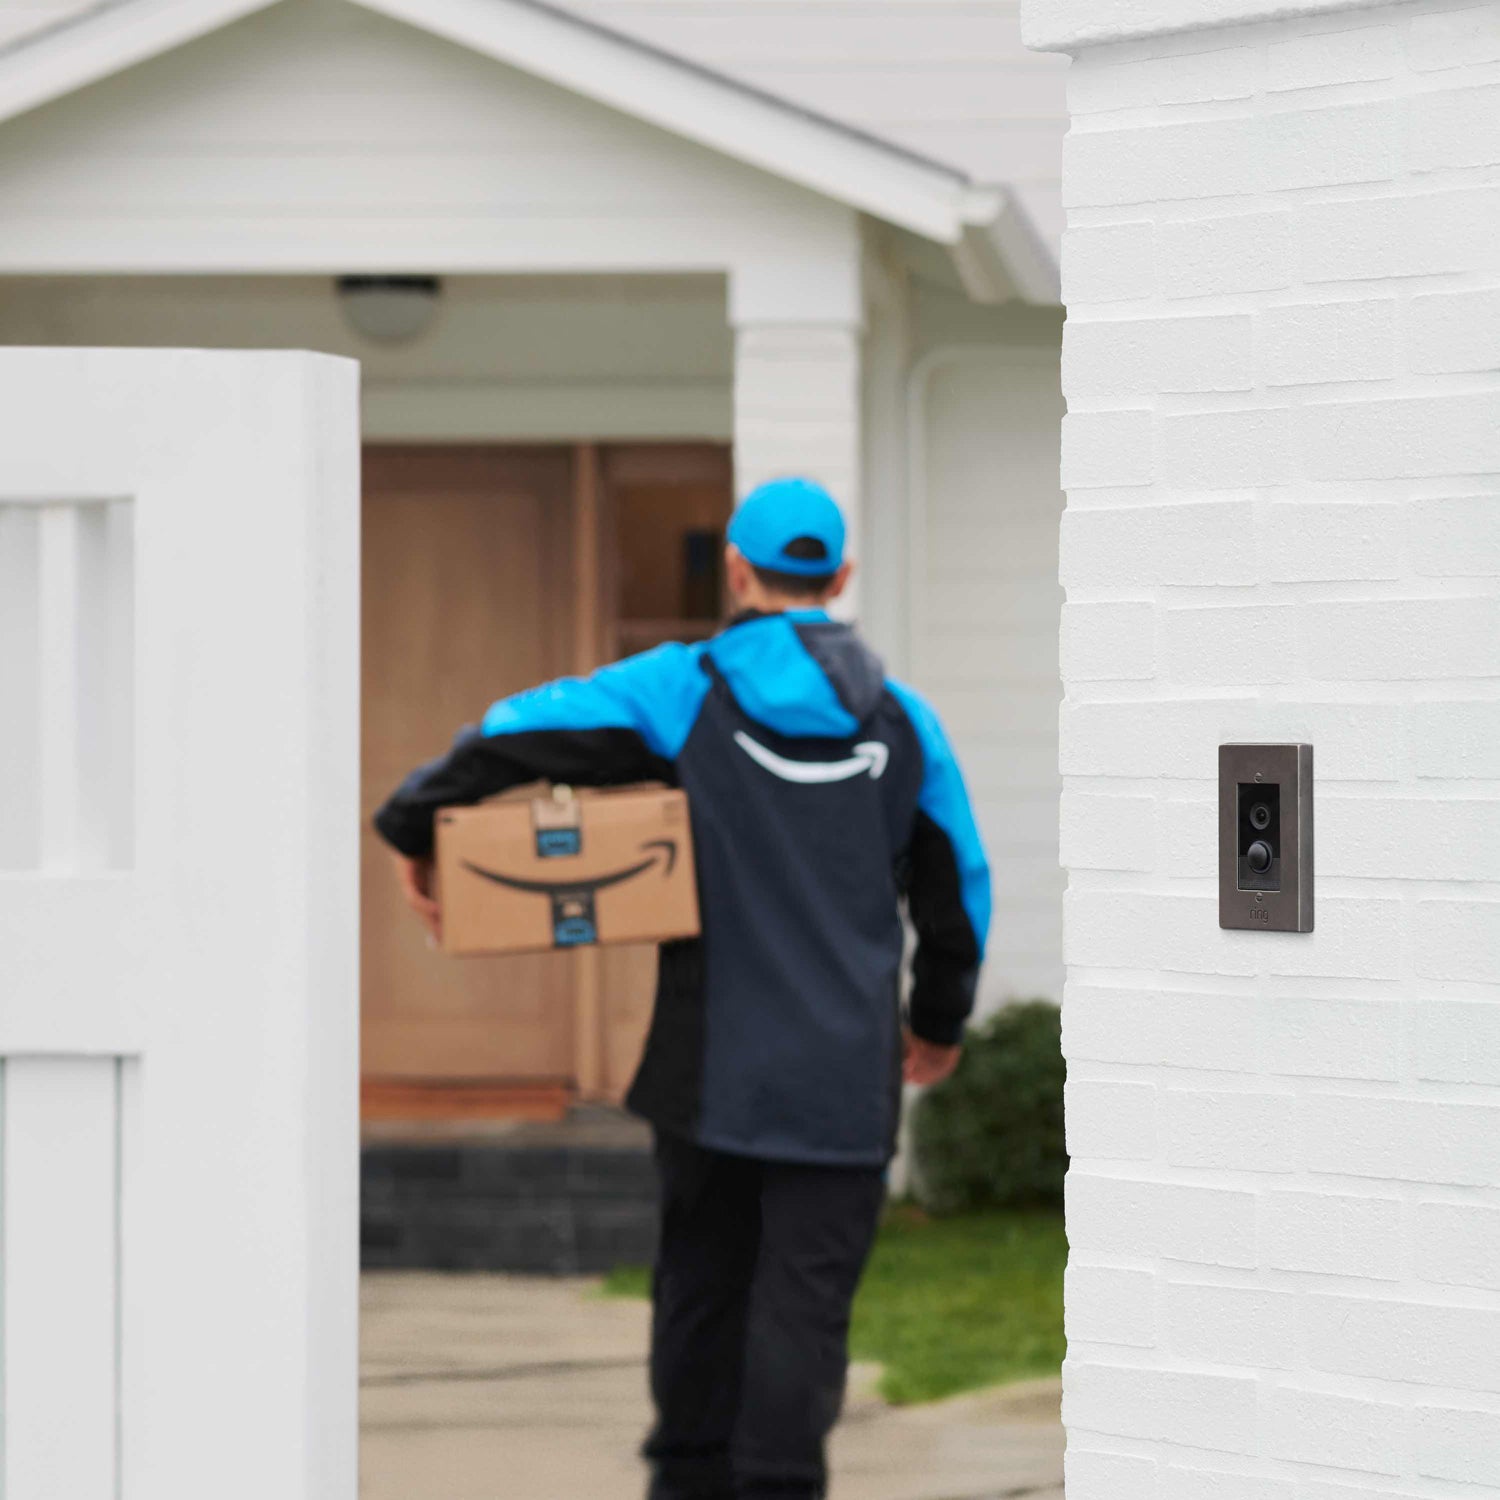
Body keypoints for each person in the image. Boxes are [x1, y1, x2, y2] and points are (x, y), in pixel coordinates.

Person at [373, 475, 991, 1500]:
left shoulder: (678, 690)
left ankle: (688, 1482)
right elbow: (958, 886)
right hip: (844, 1078)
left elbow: (518, 729)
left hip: (710, 1074)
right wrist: (938, 1020)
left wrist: (412, 825)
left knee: (703, 1289)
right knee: (803, 1311)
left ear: (738, 571)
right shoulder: (904, 722)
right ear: (840, 577)